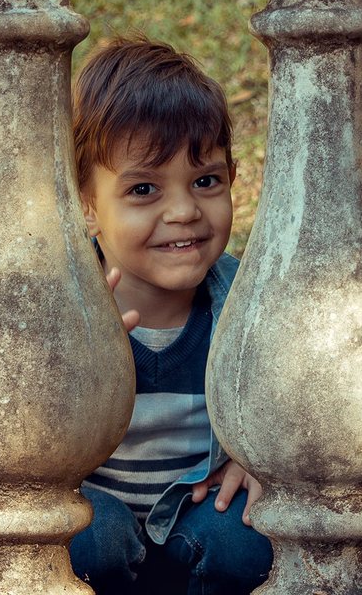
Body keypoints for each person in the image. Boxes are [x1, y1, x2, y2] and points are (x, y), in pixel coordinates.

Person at [69, 37, 273, 595]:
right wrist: (69, 364)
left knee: (246, 534)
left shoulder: (249, 304)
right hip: (98, 550)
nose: (184, 211)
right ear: (85, 203)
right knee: (88, 534)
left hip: (199, 529)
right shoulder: (62, 312)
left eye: (205, 181)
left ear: (233, 177)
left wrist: (264, 462)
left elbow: (297, 397)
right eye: (143, 189)